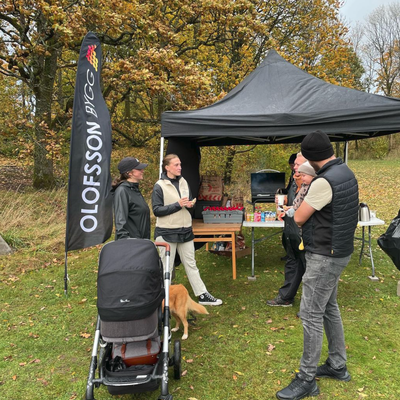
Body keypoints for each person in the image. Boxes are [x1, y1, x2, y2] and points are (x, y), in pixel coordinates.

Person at [276, 131, 359, 400]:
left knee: (311, 313)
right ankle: (337, 365)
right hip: (339, 250)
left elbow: (299, 218)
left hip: (324, 254)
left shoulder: (323, 183)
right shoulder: (345, 170)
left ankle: (306, 378)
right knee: (329, 307)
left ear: (311, 158)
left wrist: (304, 181)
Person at [152, 154, 222, 306]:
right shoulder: (159, 186)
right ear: (167, 167)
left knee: (191, 264)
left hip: (185, 231)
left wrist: (190, 204)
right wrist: (178, 204)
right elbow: (157, 210)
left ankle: (203, 295)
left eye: (180, 164)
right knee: (167, 268)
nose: (180, 167)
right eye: (176, 165)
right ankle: (164, 299)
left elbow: (188, 201)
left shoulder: (184, 182)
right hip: (166, 233)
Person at [267, 152, 307, 307]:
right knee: (292, 263)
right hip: (290, 229)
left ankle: (311, 306)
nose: (294, 167)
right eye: (295, 164)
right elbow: (293, 201)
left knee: (308, 268)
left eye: (297, 164)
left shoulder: (311, 183)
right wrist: (282, 201)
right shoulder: (294, 178)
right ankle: (286, 297)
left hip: (303, 233)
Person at [112, 157, 150, 240]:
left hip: (141, 243)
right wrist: (127, 242)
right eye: (139, 169)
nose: (142, 171)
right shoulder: (122, 191)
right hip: (131, 245)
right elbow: (120, 221)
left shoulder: (134, 190)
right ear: (129, 173)